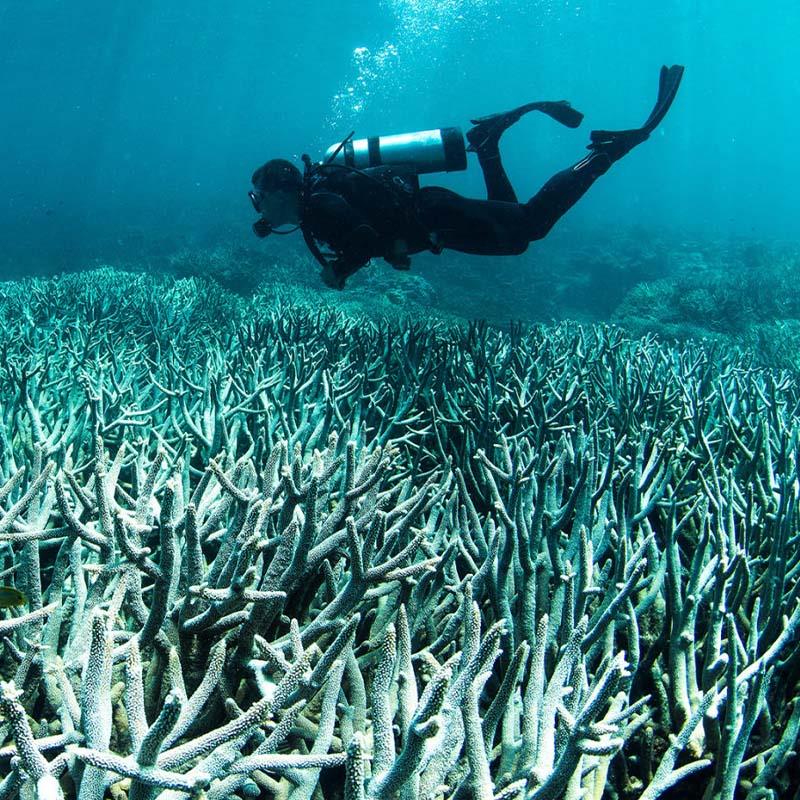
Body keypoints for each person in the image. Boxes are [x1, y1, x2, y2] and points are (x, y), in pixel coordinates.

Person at [249, 65, 684, 289]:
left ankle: (604, 154)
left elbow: (361, 238)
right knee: (516, 235)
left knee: (530, 225)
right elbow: (372, 227)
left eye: (259, 198)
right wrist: (392, 249)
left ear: (280, 191)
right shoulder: (317, 202)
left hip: (436, 216)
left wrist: (339, 271)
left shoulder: (319, 204)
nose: (259, 207)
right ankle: (488, 145)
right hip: (432, 220)